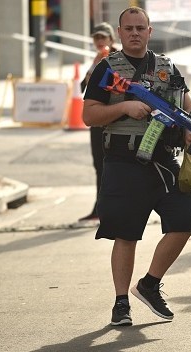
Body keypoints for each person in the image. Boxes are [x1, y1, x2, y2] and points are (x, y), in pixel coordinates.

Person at [82, 6, 191, 326]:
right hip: (123, 160)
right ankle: (121, 303)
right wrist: (125, 106)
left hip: (164, 159)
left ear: (150, 31)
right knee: (126, 234)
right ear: (120, 32)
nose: (135, 33)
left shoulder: (166, 66)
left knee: (187, 218)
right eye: (129, 28)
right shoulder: (107, 68)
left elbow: (186, 105)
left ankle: (149, 284)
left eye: (141, 28)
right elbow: (89, 115)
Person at [78, 22, 118, 222]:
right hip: (95, 119)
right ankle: (100, 208)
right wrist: (92, 69)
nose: (100, 41)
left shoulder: (116, 57)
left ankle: (109, 208)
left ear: (111, 39)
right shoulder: (97, 59)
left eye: (103, 37)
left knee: (113, 165)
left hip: (111, 118)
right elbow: (83, 87)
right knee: (99, 164)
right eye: (97, 38)